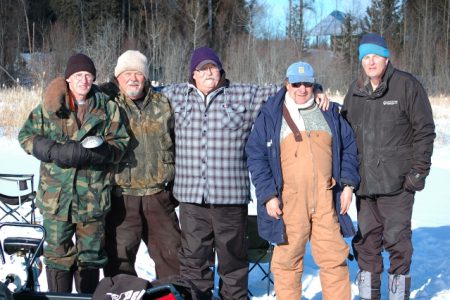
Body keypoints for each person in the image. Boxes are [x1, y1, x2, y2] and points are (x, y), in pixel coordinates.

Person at [161, 47, 329, 299]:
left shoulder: (243, 95)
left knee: (233, 262)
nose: (208, 73)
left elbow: (282, 90)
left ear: (220, 70)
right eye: (202, 69)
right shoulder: (175, 95)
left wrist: (315, 88)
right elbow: (138, 88)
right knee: (194, 262)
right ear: (193, 74)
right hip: (191, 199)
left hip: (230, 199)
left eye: (212, 67)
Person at [246, 61, 359, 299]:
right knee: (287, 263)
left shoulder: (330, 112)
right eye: (296, 83)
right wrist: (268, 195)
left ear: (314, 83)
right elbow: (256, 156)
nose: (302, 89)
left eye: (307, 83)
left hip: (326, 199)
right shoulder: (270, 116)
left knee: (334, 260)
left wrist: (348, 186)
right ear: (287, 84)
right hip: (289, 201)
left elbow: (349, 148)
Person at [18, 53, 129, 293]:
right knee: (57, 254)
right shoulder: (50, 107)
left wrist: (98, 153)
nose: (84, 81)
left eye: (88, 76)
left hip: (92, 200)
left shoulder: (107, 108)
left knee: (90, 256)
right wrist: (53, 150)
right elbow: (25, 137)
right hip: (56, 199)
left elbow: (121, 144)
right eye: (78, 75)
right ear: (68, 78)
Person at [341, 33, 436, 300]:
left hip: (397, 186)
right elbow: (345, 132)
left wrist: (417, 174)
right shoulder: (355, 90)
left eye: (375, 56)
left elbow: (425, 131)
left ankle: (397, 296)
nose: (370, 62)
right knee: (367, 244)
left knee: (397, 243)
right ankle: (368, 295)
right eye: (365, 57)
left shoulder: (406, 86)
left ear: (386, 57)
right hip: (365, 186)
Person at [100, 50, 181, 279]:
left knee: (172, 257)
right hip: (122, 197)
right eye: (127, 73)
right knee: (118, 260)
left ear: (146, 77)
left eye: (138, 73)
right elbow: (77, 95)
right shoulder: (107, 104)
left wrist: (175, 183)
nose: (133, 78)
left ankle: (172, 296)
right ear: (118, 78)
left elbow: (180, 143)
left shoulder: (163, 103)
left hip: (159, 195)